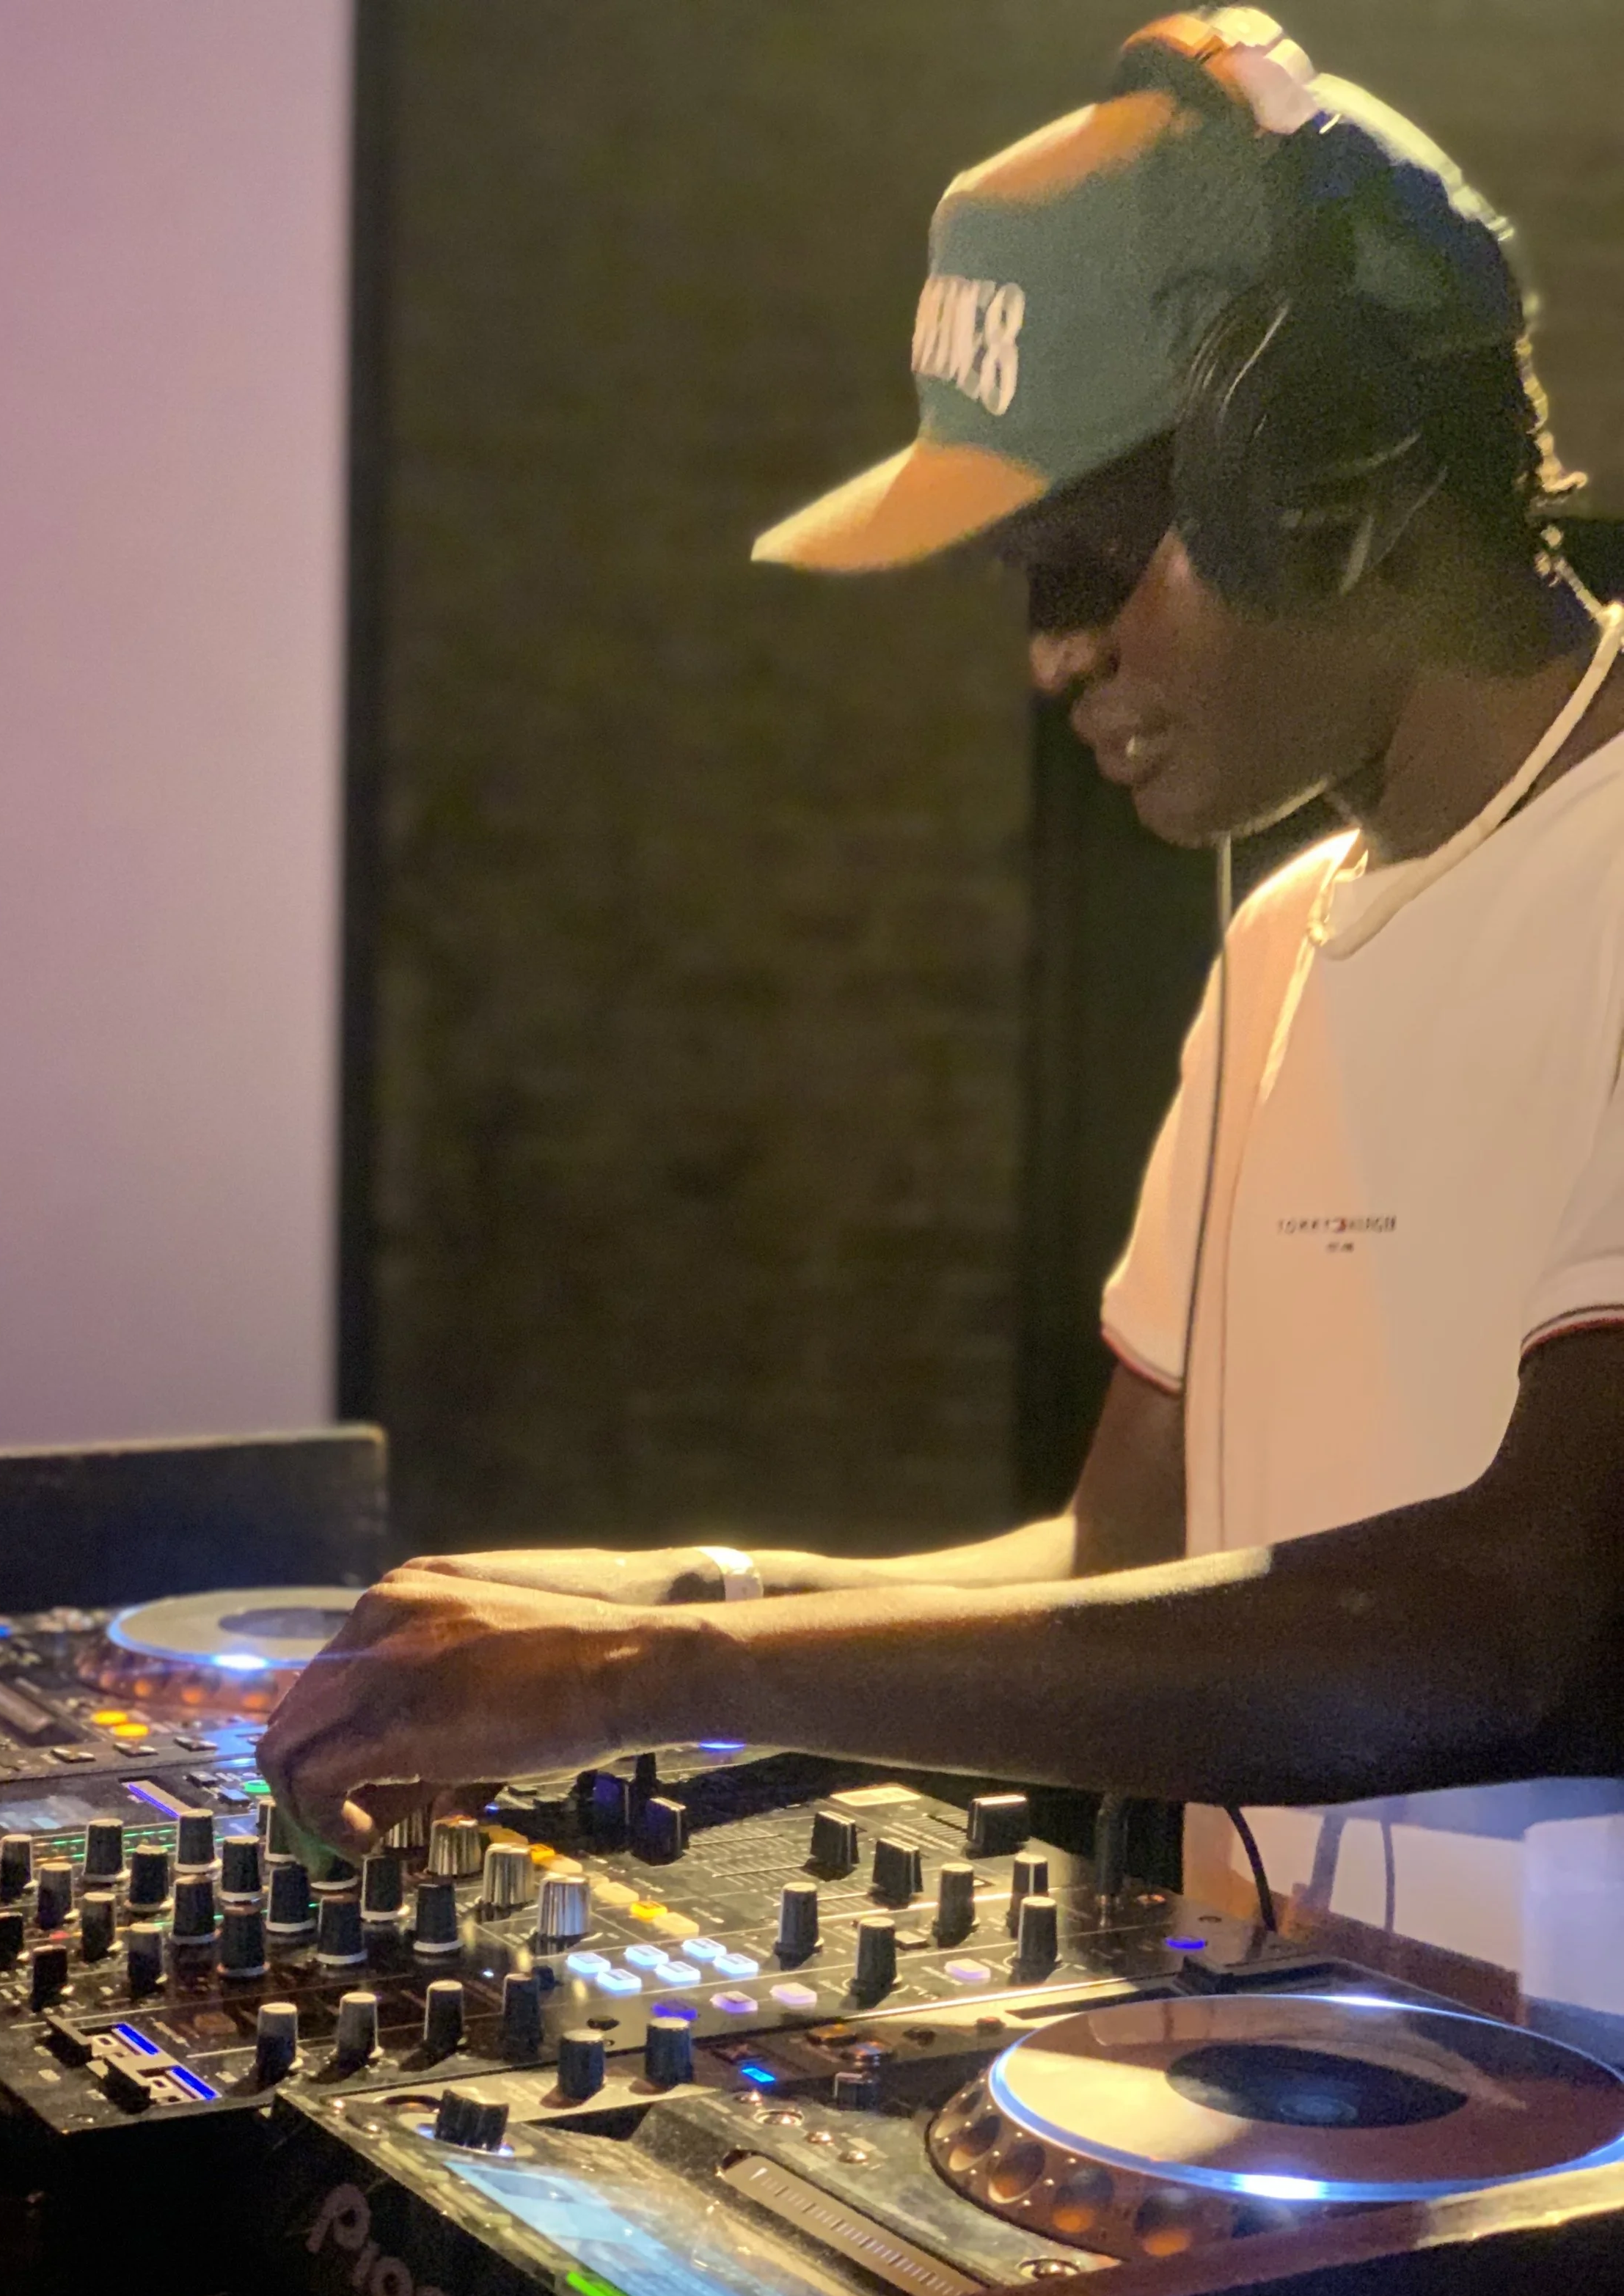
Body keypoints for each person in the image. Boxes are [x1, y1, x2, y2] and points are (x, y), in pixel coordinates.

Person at [264, 12, 1624, 2050]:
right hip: (1303, 2159)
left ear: (1320, 464)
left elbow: (1500, 1623)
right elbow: (1112, 1555)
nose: (1047, 657)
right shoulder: (1275, 942)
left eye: (1079, 562)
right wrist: (646, 1601)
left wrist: (660, 1680)